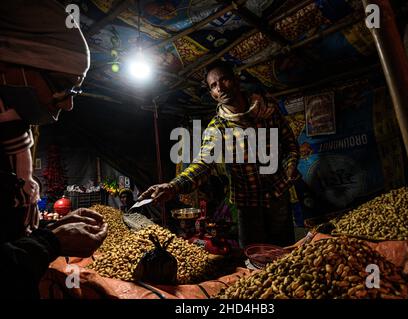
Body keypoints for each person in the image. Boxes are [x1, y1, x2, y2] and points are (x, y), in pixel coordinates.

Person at [0, 0, 107, 299]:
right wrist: (50, 242)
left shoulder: (12, 133)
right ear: (12, 64)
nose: (68, 104)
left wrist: (54, 232)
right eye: (62, 86)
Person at [139, 60, 300, 248]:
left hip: (277, 197)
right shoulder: (217, 128)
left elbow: (290, 144)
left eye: (224, 80)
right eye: (213, 86)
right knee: (254, 259)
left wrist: (289, 170)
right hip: (247, 206)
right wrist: (173, 186)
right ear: (212, 94)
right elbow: (202, 165)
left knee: (286, 254)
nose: (220, 88)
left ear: (236, 80)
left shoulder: (267, 109)